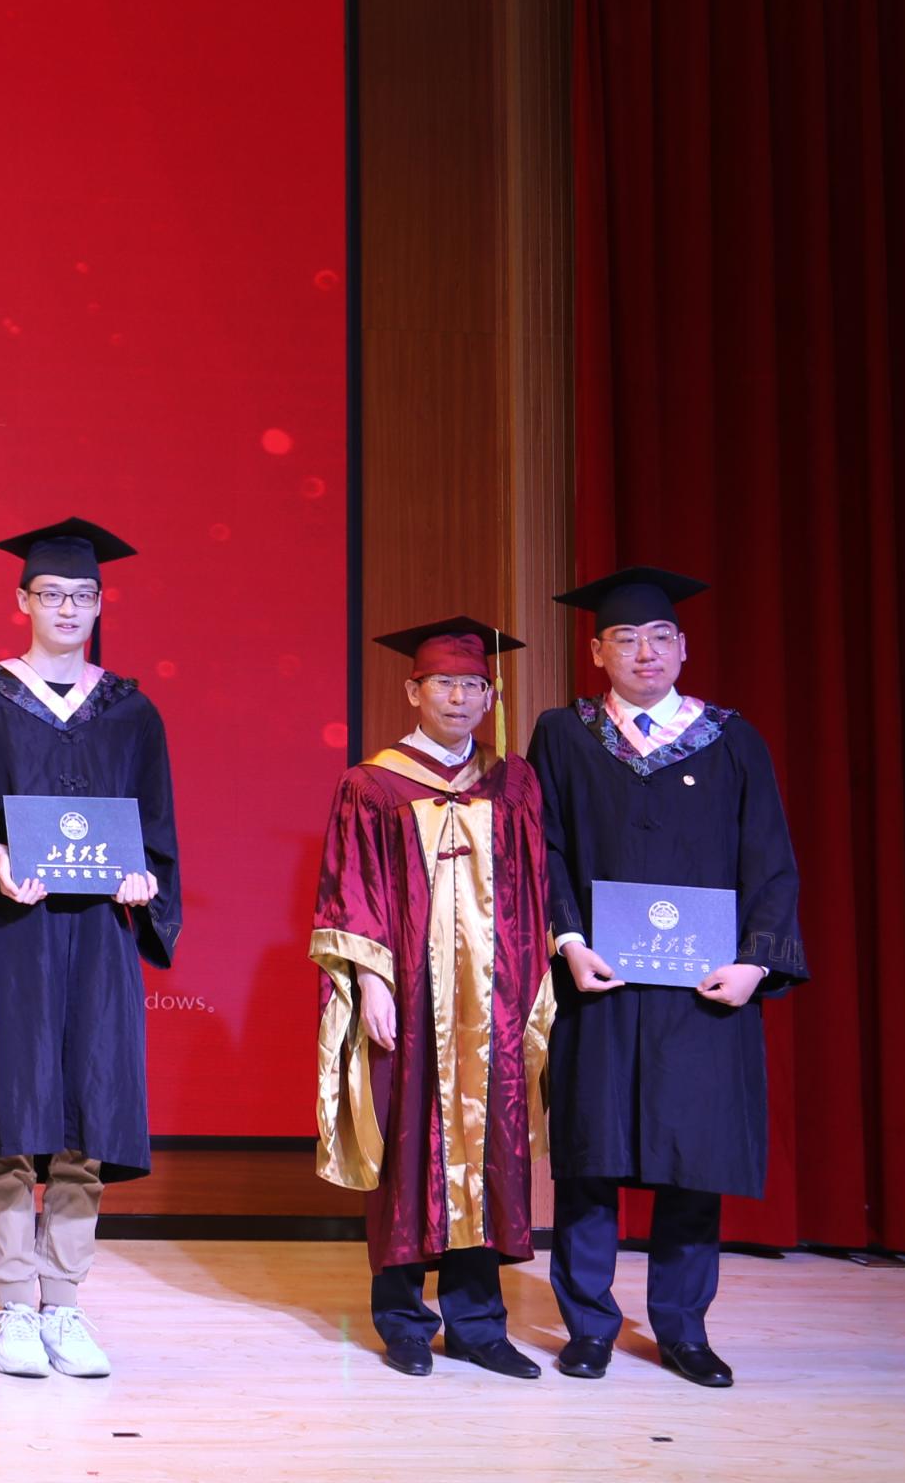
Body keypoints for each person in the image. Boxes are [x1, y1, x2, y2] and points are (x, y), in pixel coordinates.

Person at [534, 566, 806, 1388]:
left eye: (659, 638)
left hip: (704, 989)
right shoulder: (565, 735)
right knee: (590, 1155)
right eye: (625, 639)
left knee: (694, 1157)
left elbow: (770, 859)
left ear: (683, 648)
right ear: (597, 652)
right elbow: (544, 847)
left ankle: (683, 1330)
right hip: (601, 979)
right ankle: (589, 1327)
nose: (644, 652)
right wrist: (566, 939)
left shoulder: (731, 739)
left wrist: (756, 961)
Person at [0, 519, 182, 1381]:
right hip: (12, 936)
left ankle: (64, 1304)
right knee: (13, 1118)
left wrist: (146, 882)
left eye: (82, 596)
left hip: (97, 942)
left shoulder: (132, 711)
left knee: (87, 1121)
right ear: (23, 600)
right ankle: (13, 1305)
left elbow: (156, 829)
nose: (67, 608)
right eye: (51, 595)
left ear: (101, 604)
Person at [312, 619, 552, 1379]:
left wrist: (531, 991)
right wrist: (371, 983)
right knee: (407, 1150)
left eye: (473, 685)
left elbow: (536, 889)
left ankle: (478, 1324)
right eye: (443, 683)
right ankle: (404, 1322)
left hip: (494, 1003)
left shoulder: (514, 783)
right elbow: (351, 890)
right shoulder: (372, 784)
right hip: (410, 1001)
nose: (459, 697)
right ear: (413, 691)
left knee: (489, 1151)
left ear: (490, 696)